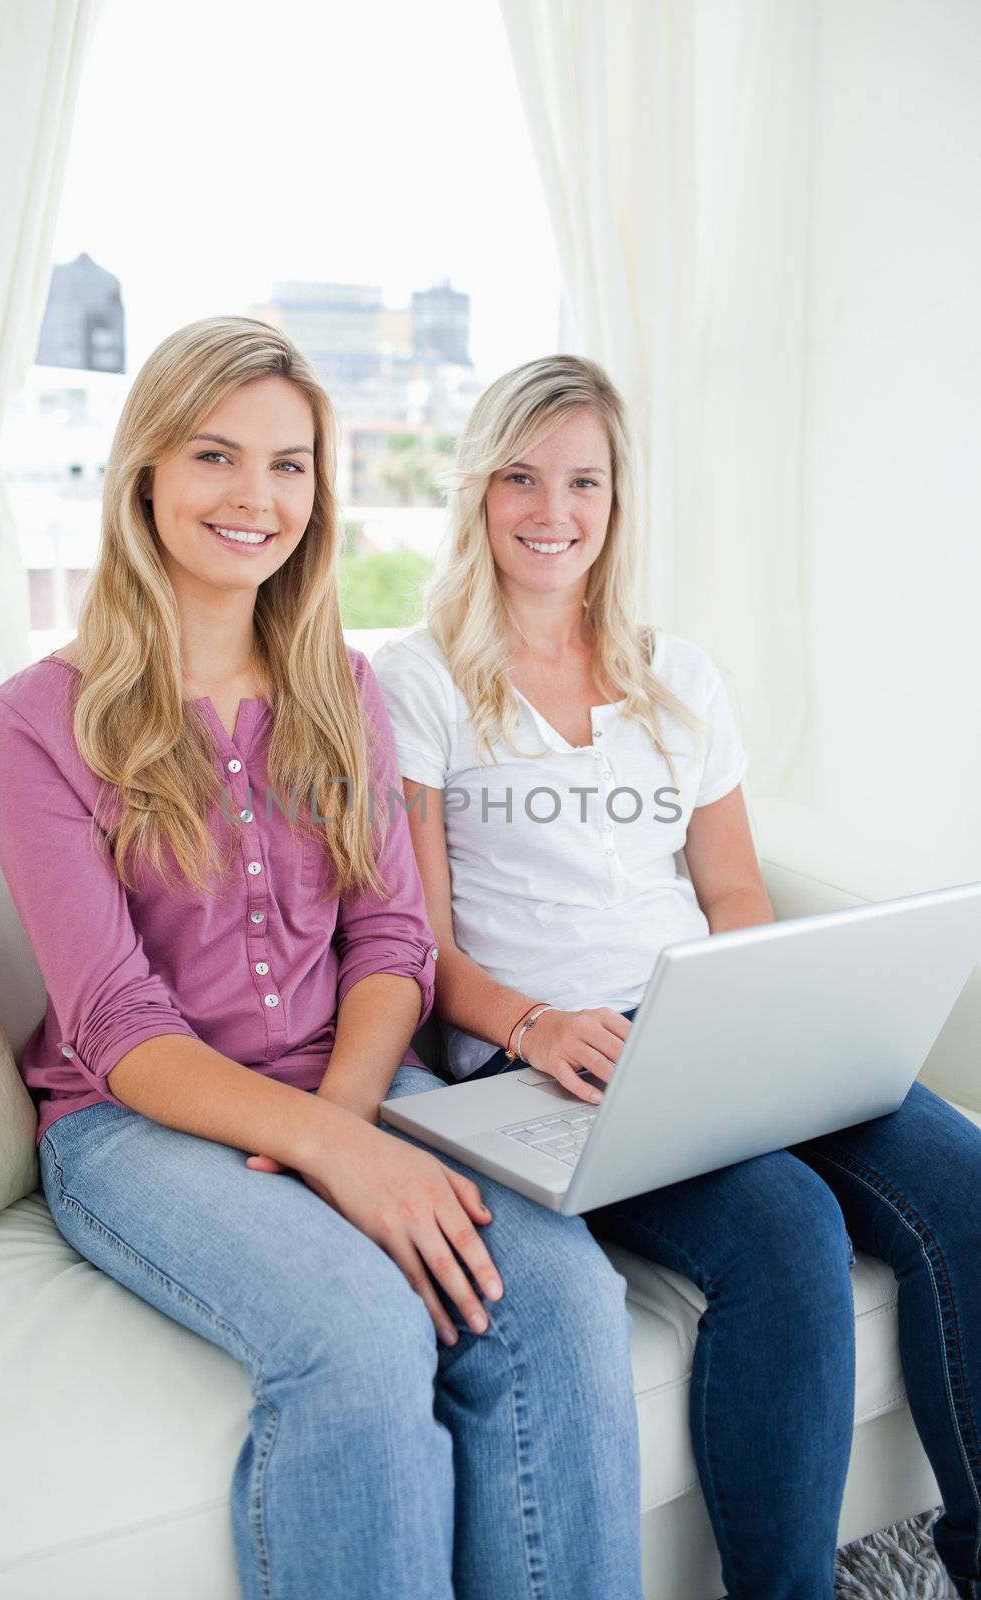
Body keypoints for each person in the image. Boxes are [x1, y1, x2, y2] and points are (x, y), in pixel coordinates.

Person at [0, 318, 645, 1600]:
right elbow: (115, 1022)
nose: (256, 496)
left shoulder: (346, 687)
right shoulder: (37, 722)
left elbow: (391, 939)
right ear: (147, 476)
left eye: (290, 466)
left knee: (561, 1300)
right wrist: (337, 1152)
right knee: (355, 1330)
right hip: (135, 1122)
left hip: (357, 1080)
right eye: (216, 456)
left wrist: (345, 1118)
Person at [369, 352, 981, 1600]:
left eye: (582, 480)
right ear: (479, 492)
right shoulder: (414, 681)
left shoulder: (676, 675)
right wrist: (535, 1025)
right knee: (787, 1232)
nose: (553, 511)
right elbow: (415, 945)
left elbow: (734, 891)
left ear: (616, 498)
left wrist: (745, 1007)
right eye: (523, 478)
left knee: (963, 1180)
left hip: (709, 1020)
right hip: (539, 1049)